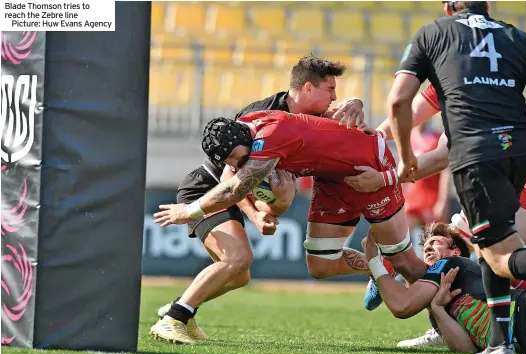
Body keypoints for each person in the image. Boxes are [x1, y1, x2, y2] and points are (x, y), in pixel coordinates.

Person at [386, 1, 526, 354]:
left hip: (525, 171)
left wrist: (402, 166)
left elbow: (401, 108)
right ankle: (497, 342)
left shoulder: (439, 44)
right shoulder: (512, 40)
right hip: (514, 151)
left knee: (495, 252)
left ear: (447, 7)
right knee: (479, 247)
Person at [149, 55, 366, 344]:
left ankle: (180, 307)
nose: (335, 98)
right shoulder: (263, 115)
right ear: (308, 89)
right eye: (330, 90)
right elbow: (231, 178)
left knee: (239, 276)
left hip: (232, 192)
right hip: (207, 188)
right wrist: (253, 215)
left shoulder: (311, 118)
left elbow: (346, 115)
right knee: (238, 258)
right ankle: (175, 317)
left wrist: (357, 102)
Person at [350, 84, 526, 347]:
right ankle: (440, 316)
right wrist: (376, 135)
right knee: (457, 250)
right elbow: (408, 112)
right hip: (503, 180)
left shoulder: (475, 96)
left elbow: (438, 160)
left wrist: (383, 179)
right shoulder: (446, 77)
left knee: (487, 250)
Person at [154, 110, 429, 299]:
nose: (238, 166)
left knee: (405, 261)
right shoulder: (248, 127)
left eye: (238, 159)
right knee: (320, 265)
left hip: (369, 167)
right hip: (331, 179)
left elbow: (238, 188)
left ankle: (453, 311)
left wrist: (189, 211)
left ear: (244, 140)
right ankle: (379, 267)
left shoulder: (268, 138)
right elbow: (234, 177)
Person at [366, 222, 526, 354]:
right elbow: (465, 349)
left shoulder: (452, 263)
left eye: (435, 243)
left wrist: (374, 264)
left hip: (525, 311)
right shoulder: (436, 303)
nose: (427, 248)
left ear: (455, 251)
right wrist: (437, 309)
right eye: (425, 246)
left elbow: (402, 306)